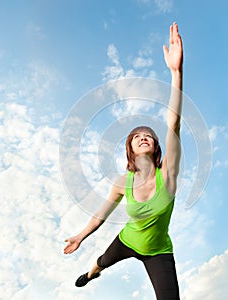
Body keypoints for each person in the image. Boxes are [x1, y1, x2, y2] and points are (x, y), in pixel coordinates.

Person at [64, 22, 183, 300]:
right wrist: (80, 236)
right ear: (130, 148)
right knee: (102, 261)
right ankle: (93, 272)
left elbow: (174, 124)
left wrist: (176, 73)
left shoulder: (168, 173)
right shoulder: (122, 182)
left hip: (158, 252)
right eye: (136, 136)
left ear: (155, 147)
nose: (144, 137)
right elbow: (101, 215)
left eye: (149, 136)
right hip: (127, 241)